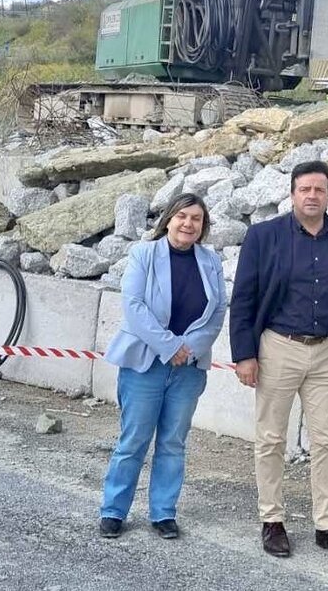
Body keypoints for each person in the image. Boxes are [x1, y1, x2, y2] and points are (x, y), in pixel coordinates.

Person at [229, 160, 328, 561]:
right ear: (292, 193)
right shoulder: (264, 236)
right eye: (305, 189)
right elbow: (244, 297)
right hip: (279, 347)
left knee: (326, 440)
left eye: (319, 190)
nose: (312, 196)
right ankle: (272, 520)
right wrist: (244, 354)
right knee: (271, 438)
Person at [99, 193, 227, 540]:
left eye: (196, 219)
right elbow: (134, 306)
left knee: (173, 442)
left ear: (203, 225)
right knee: (133, 440)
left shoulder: (210, 261)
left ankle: (163, 512)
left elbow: (218, 312)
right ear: (169, 219)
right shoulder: (144, 254)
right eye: (182, 216)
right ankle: (113, 510)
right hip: (145, 364)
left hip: (188, 368)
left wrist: (189, 350)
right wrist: (170, 347)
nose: (188, 224)